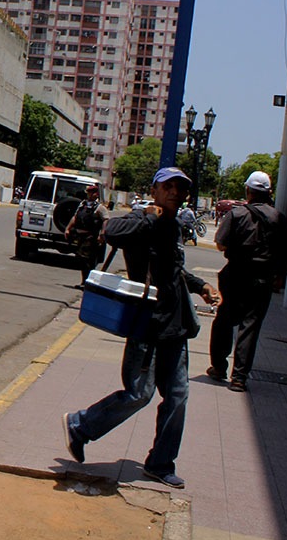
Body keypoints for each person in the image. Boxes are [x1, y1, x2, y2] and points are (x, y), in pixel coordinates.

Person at [62, 167, 220, 489]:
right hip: (146, 326)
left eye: (181, 188)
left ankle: (161, 463)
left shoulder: (174, 226)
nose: (176, 193)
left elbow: (174, 270)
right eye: (169, 187)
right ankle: (80, 425)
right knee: (138, 394)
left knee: (177, 396)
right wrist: (149, 216)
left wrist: (200, 285)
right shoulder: (141, 220)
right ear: (156, 190)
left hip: (174, 328)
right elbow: (111, 231)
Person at [208, 170, 287, 393]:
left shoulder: (237, 214)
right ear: (269, 193)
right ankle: (239, 378)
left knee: (223, 320)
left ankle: (219, 367)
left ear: (248, 191)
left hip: (235, 276)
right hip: (263, 279)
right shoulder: (279, 218)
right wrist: (281, 274)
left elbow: (220, 244)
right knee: (250, 327)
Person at [64, 184, 109, 284]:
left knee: (87, 260)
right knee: (80, 259)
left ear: (96, 194)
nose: (90, 195)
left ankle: (87, 282)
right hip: (80, 236)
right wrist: (68, 228)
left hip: (90, 237)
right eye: (89, 193)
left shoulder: (100, 208)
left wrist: (102, 234)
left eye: (92, 193)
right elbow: (75, 217)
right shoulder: (83, 205)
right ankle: (84, 281)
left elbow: (106, 220)